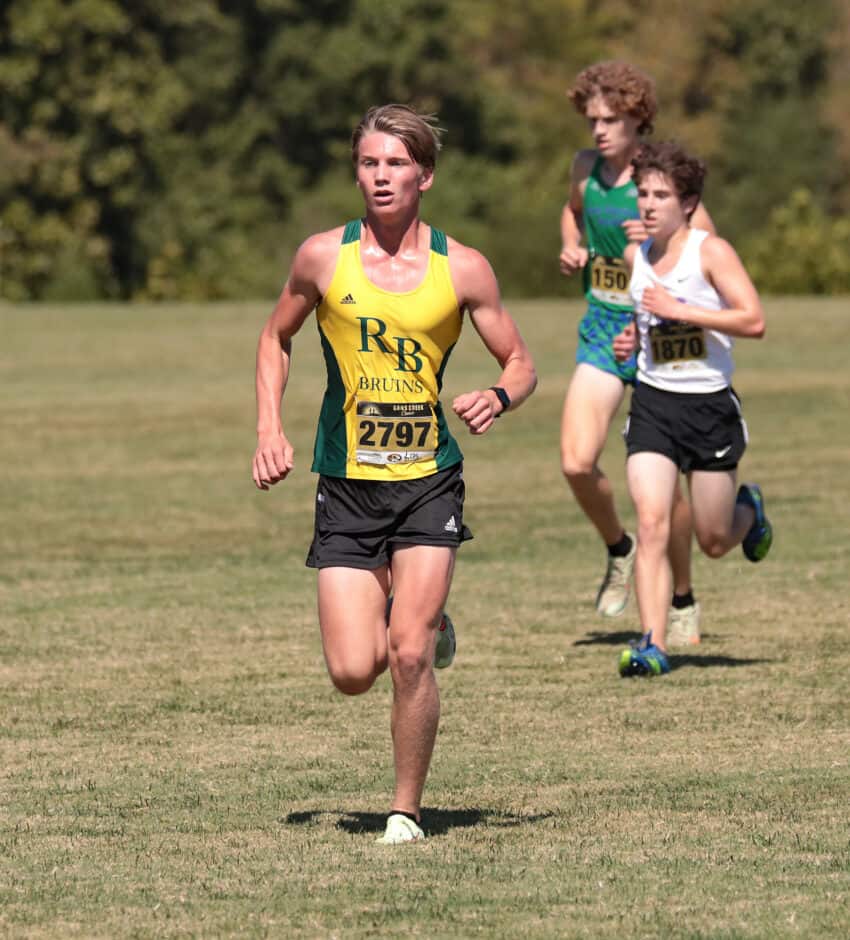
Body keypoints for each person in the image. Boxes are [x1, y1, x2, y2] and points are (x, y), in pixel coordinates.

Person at [252, 104, 537, 843]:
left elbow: (522, 362)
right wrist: (268, 427)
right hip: (346, 484)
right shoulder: (322, 257)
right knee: (353, 670)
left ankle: (404, 811)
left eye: (395, 164)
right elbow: (274, 337)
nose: (380, 176)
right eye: (369, 163)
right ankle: (424, 615)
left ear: (425, 176)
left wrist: (498, 395)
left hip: (427, 481)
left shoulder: (462, 267)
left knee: (407, 653)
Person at [558, 61, 714, 642]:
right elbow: (572, 214)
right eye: (593, 119)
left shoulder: (658, 176)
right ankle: (619, 550)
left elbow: (707, 248)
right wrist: (572, 246)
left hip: (658, 336)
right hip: (601, 326)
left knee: (663, 489)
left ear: (637, 118)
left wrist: (654, 245)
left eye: (612, 120)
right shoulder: (583, 168)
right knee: (576, 461)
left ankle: (681, 598)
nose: (599, 131)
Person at [613, 141, 773, 677]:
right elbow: (651, 324)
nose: (649, 204)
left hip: (709, 410)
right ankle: (652, 643)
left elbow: (752, 320)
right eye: (643, 194)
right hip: (654, 405)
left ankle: (748, 510)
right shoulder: (636, 257)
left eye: (662, 195)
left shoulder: (711, 252)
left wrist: (681, 309)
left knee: (712, 540)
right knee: (653, 522)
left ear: (689, 202)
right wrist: (632, 339)